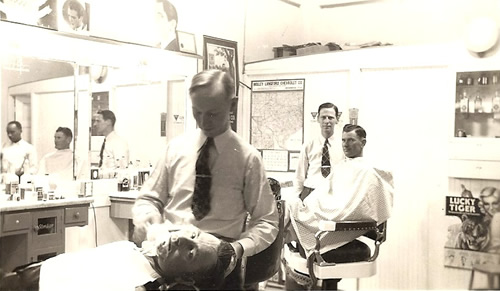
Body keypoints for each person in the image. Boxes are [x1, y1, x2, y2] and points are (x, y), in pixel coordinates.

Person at [132, 69, 279, 290]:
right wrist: (152, 225)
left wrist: (238, 249)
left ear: (232, 105)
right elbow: (148, 199)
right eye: (197, 111)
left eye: (212, 113)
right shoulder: (176, 149)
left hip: (217, 261)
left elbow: (267, 221)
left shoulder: (248, 158)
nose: (203, 121)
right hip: (168, 252)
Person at [283, 124, 394, 290]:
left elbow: (352, 209)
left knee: (290, 224)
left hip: (339, 229)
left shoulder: (368, 172)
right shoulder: (344, 166)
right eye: (343, 140)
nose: (345, 144)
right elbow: (326, 196)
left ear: (363, 142)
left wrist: (325, 217)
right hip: (332, 225)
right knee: (289, 206)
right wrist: (309, 207)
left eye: (351, 140)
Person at [0, 225, 236, 291]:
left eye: (191, 252)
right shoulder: (138, 251)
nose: (180, 239)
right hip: (31, 273)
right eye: (192, 233)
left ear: (186, 278)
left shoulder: (142, 284)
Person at [293, 102, 344, 201]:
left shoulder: (343, 145)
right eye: (323, 117)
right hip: (310, 193)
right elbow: (300, 176)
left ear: (337, 120)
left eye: (330, 117)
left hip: (334, 193)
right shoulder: (309, 144)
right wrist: (295, 199)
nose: (326, 121)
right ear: (317, 119)